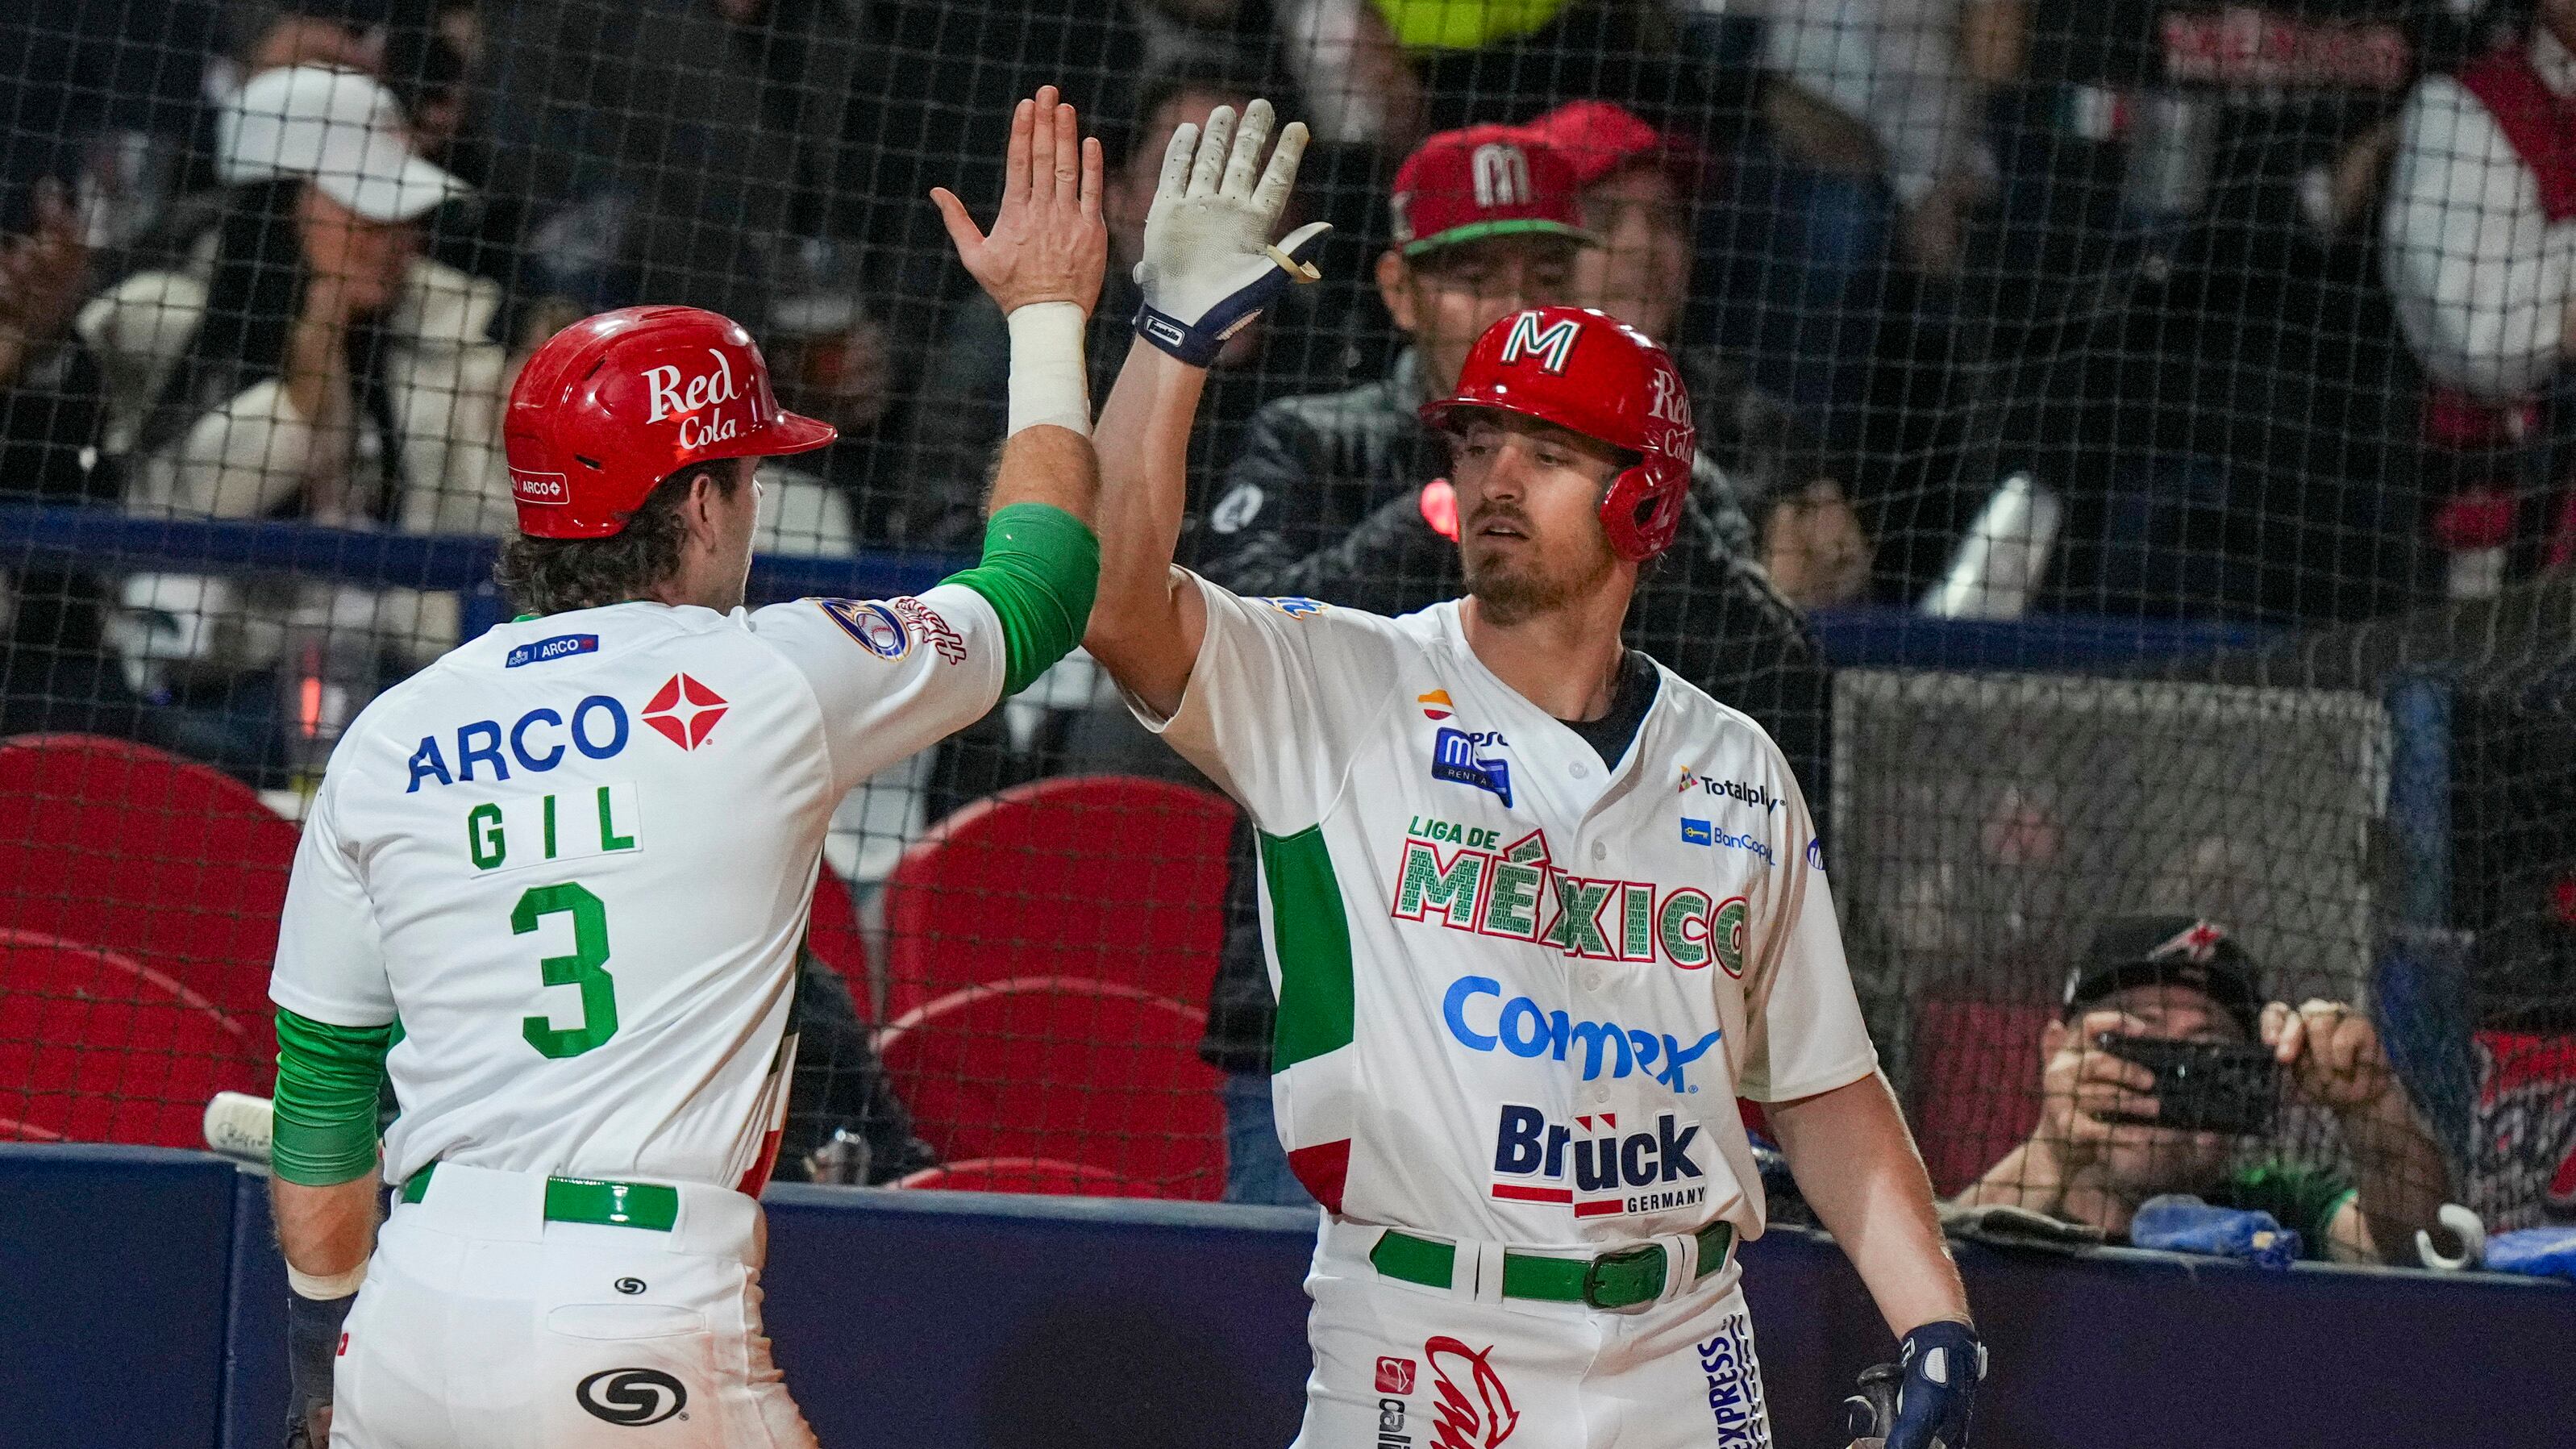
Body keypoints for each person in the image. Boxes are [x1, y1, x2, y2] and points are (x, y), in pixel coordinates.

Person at [1086, 101, 1983, 1448]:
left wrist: (1936, 1321)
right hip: (1424, 1338)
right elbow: (1115, 602)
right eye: (1479, 440)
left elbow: (1820, 1083)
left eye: (1548, 453)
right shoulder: (1339, 684)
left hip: (1689, 1345)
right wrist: (1169, 342)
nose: (1496, 476)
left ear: (1645, 503)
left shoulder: (1736, 768)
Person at [264, 86, 1109, 1447]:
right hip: (629, 1301)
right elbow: (1045, 582)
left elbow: (320, 1100)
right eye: (748, 479)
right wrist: (1051, 313)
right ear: (704, 501)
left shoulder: (391, 734)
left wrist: (323, 1349)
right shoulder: (771, 673)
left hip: (409, 1310)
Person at [1191, 119, 1833, 1205]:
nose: (1510, 308)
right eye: (1469, 277)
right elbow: (1240, 656)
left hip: (1580, 1044)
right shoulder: (1310, 441)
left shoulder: (1657, 472)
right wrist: (1442, 510)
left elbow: (1780, 683)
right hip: (1331, 1029)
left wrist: (1629, 507)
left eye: (1542, 274)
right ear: (1398, 291)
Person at [1521, 96, 1875, 608]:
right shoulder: (1479, 421)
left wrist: (1818, 588)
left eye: (1666, 219)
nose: (1643, 246)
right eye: (1604, 219)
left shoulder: (1758, 428)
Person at [1955, 917, 2453, 1262]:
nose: (2170, 1075)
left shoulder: (2276, 1211)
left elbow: (2419, 1246)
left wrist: (2372, 1105)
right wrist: (2049, 1157)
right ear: (2056, 1050)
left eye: (2206, 1050)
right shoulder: (2005, 1210)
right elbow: (1923, 1278)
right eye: (2138, 1039)